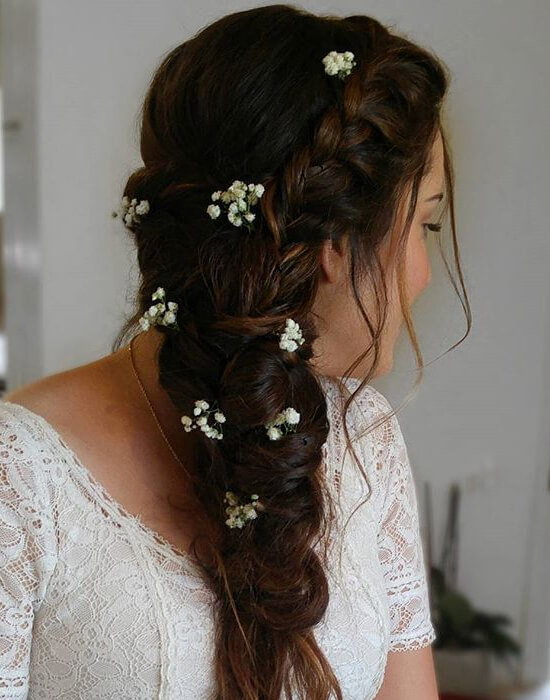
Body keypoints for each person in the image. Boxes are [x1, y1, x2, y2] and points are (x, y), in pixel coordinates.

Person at [0, 4, 471, 699]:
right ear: (333, 243)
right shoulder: (21, 479)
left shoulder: (363, 439)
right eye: (423, 225)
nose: (425, 275)